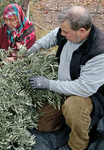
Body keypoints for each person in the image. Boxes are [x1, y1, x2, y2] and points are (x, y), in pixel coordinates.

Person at [28, 6, 104, 150]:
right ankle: (70, 123)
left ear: (81, 31)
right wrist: (30, 50)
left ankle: (77, 144)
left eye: (65, 31)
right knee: (40, 123)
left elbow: (83, 88)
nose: (61, 33)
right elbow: (51, 37)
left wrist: (48, 84)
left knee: (73, 107)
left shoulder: (99, 52)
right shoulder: (69, 33)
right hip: (64, 88)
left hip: (89, 96)